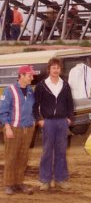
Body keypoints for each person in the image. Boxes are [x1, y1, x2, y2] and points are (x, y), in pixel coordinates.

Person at [33, 58, 74, 191]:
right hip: (48, 122)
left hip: (62, 122)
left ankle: (60, 179)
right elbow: (35, 105)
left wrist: (69, 118)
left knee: (61, 151)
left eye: (58, 68)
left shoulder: (65, 85)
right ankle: (45, 180)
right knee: (47, 151)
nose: (56, 70)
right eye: (53, 68)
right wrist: (39, 120)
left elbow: (70, 104)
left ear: (60, 70)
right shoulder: (41, 86)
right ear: (49, 69)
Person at [0, 65, 35, 195]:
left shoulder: (31, 91)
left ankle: (19, 182)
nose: (32, 77)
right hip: (13, 128)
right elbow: (3, 110)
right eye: (30, 75)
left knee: (23, 156)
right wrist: (7, 127)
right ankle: (9, 184)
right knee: (11, 156)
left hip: (28, 128)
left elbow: (33, 108)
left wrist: (33, 122)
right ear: (22, 75)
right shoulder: (10, 90)